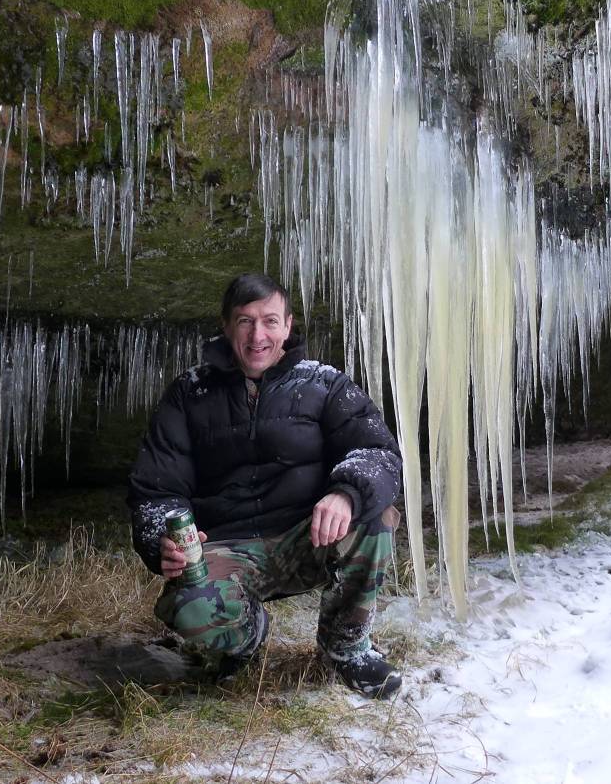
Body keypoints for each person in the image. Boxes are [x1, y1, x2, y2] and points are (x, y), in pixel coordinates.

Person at [127, 272, 405, 698]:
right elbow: (156, 490)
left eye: (270, 321)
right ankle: (247, 638)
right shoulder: (189, 393)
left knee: (374, 516)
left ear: (288, 326)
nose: (258, 335)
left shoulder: (325, 384)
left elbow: (378, 453)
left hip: (306, 535)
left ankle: (346, 647)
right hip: (226, 546)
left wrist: (344, 494)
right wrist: (159, 539)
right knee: (189, 610)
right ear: (226, 326)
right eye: (245, 321)